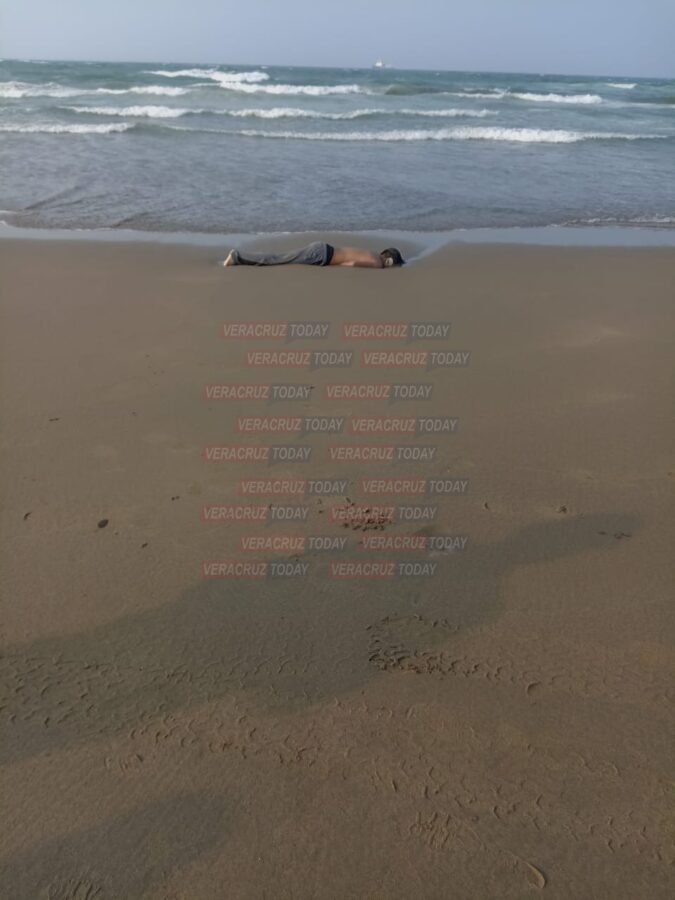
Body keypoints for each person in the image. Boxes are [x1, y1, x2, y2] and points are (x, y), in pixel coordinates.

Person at [222, 241, 405, 269]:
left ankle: (239, 257)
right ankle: (237, 257)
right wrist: (338, 266)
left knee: (282, 257)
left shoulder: (372, 252)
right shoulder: (378, 263)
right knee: (279, 259)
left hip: (323, 248)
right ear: (389, 261)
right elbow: (353, 264)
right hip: (321, 255)